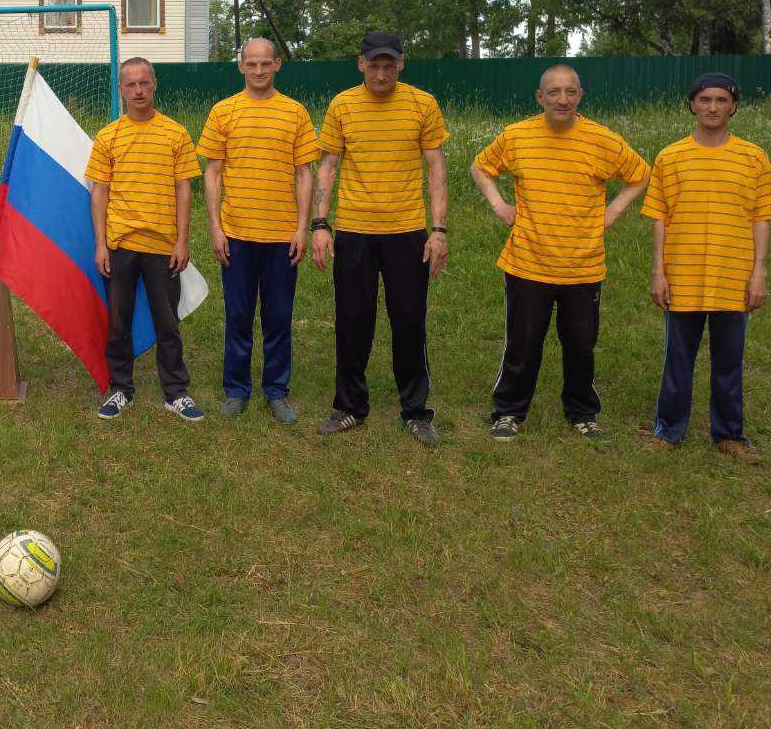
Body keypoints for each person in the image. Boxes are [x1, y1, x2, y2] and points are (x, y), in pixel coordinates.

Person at [471, 64, 649, 442]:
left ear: (580, 95)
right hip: (527, 262)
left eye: (569, 92)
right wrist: (499, 204)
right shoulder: (517, 136)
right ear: (540, 97)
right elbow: (480, 167)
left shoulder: (603, 141)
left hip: (582, 265)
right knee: (522, 343)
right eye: (553, 92)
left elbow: (640, 174)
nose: (562, 99)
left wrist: (613, 211)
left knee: (581, 346)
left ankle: (582, 412)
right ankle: (508, 412)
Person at [311, 32, 449, 446]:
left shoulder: (423, 104)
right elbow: (328, 167)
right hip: (354, 231)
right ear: (361, 64)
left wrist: (438, 230)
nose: (382, 72)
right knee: (353, 321)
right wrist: (320, 225)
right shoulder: (342, 104)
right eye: (375, 65)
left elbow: (436, 169)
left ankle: (415, 410)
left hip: (407, 232)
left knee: (409, 321)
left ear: (401, 64)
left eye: (389, 65)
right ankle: (350, 405)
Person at [643, 73, 771, 463]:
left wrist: (758, 271)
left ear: (734, 107)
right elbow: (660, 218)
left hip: (732, 275)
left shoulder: (752, 157)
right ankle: (668, 431)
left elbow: (762, 217)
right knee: (677, 359)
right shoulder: (670, 156)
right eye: (704, 99)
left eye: (721, 100)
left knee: (729, 360)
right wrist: (659, 271)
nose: (712, 107)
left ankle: (729, 434)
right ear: (692, 104)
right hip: (683, 274)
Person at [197, 37, 318, 424]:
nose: (260, 71)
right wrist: (216, 228)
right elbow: (212, 173)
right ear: (241, 67)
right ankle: (236, 389)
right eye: (252, 64)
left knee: (279, 317)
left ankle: (277, 390)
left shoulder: (295, 113)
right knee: (238, 315)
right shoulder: (223, 112)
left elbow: (305, 173)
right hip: (237, 234)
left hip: (283, 236)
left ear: (277, 65)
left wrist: (302, 228)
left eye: (266, 63)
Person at [86, 57, 205, 422]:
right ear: (121, 90)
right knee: (118, 323)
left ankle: (175, 392)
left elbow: (184, 190)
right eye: (130, 85)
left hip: (163, 246)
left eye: (144, 83)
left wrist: (182, 241)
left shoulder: (175, 133)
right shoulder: (109, 136)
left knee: (167, 323)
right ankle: (121, 389)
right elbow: (99, 192)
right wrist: (101, 244)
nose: (138, 91)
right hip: (120, 246)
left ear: (154, 85)